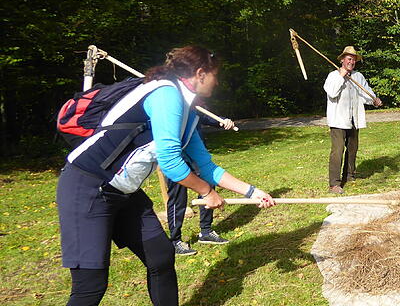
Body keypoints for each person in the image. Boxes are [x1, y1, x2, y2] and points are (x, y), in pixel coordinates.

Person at [56, 46, 276, 306]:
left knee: (160, 257)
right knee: (90, 286)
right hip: (87, 187)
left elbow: (205, 165)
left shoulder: (187, 111)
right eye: (215, 75)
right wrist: (207, 192)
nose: (217, 82)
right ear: (201, 73)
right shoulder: (166, 94)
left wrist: (252, 192)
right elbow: (171, 163)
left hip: (124, 192)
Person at [165, 113, 236, 256]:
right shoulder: (170, 102)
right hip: (176, 158)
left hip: (196, 154)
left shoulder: (192, 102)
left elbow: (203, 114)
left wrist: (222, 121)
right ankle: (175, 241)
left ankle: (206, 231)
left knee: (209, 188)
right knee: (178, 198)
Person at [323, 46, 382, 194]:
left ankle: (349, 175)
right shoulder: (333, 76)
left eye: (354, 59)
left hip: (354, 119)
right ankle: (334, 184)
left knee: (352, 149)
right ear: (342, 60)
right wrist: (341, 76)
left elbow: (365, 92)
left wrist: (373, 100)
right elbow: (331, 93)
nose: (352, 62)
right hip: (338, 120)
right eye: (349, 59)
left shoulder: (358, 76)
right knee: (337, 151)